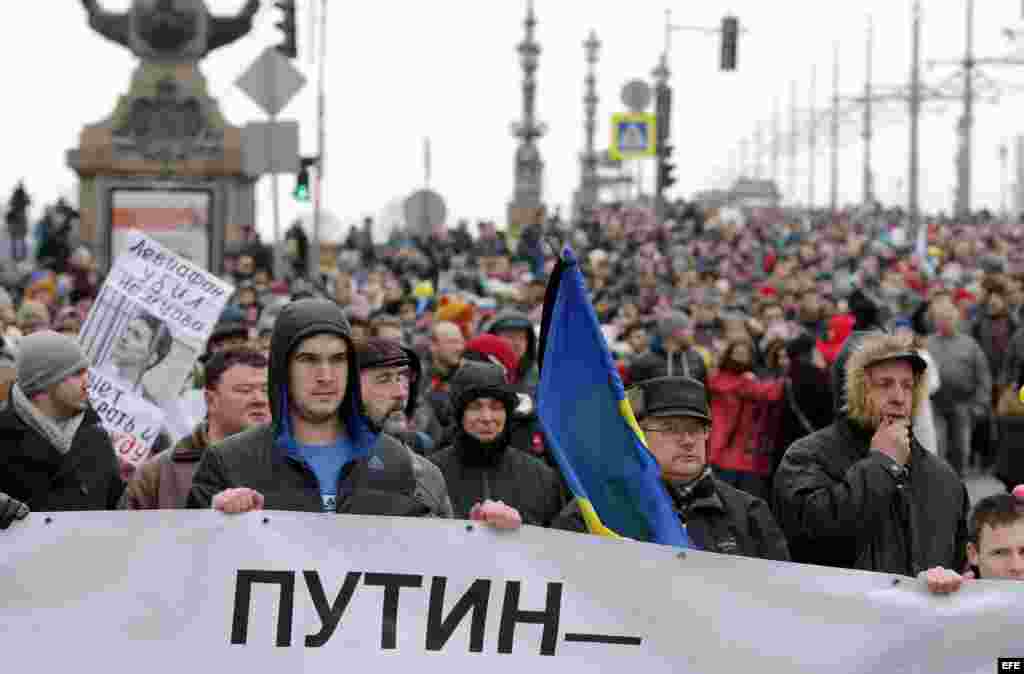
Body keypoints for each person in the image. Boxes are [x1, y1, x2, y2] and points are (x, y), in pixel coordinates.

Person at [187, 298, 453, 517]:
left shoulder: (394, 460)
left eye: (337, 359)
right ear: (283, 368)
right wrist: (216, 522)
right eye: (308, 359)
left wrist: (487, 533)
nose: (325, 375)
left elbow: (424, 561)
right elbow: (192, 566)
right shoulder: (229, 463)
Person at [773, 330, 969, 576]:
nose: (899, 398)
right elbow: (809, 539)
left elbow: (961, 565)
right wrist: (881, 465)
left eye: (908, 386)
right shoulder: (806, 457)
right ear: (855, 391)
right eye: (884, 384)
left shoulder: (944, 478)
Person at [552, 376, 790, 560]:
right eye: (670, 428)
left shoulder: (748, 513)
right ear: (637, 435)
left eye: (696, 429)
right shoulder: (592, 513)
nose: (687, 440)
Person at [0, 331, 123, 527]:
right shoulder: (4, 437)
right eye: (76, 374)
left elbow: (120, 517)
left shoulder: (97, 440)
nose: (87, 383)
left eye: (85, 373)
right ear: (42, 382)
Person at [122, 350, 270, 509]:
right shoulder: (157, 473)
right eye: (245, 390)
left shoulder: (292, 466)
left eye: (266, 390)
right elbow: (125, 532)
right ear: (211, 400)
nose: (260, 400)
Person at [429, 361, 564, 526]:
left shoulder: (542, 478)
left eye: (496, 407)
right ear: (459, 414)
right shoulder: (431, 475)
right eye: (475, 407)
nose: (486, 417)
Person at [920, 489, 1024, 593]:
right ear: (973, 554)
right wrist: (927, 595)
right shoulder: (955, 599)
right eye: (1000, 553)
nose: (1017, 567)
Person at [109, 312, 173, 403]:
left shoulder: (149, 409)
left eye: (136, 336)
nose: (124, 337)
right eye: (128, 329)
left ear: (151, 358)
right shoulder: (90, 375)